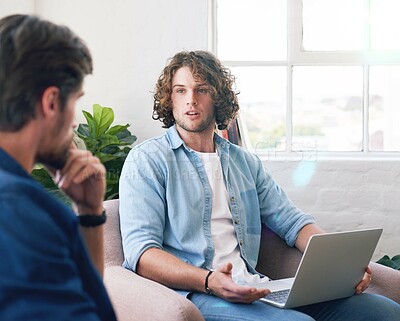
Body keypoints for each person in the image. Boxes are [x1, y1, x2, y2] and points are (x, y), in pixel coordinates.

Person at [119, 50, 400, 320]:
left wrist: (342, 265)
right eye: (180, 90)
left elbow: (292, 222)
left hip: (252, 286)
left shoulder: (244, 162)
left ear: (218, 97)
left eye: (201, 89)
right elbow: (141, 254)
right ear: (170, 99)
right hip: (196, 292)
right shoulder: (147, 160)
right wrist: (210, 280)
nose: (190, 99)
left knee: (382, 311)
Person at [0, 14, 116, 320]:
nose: (74, 120)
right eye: (74, 101)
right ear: (51, 102)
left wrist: (90, 213)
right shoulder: (19, 211)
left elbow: (80, 299)